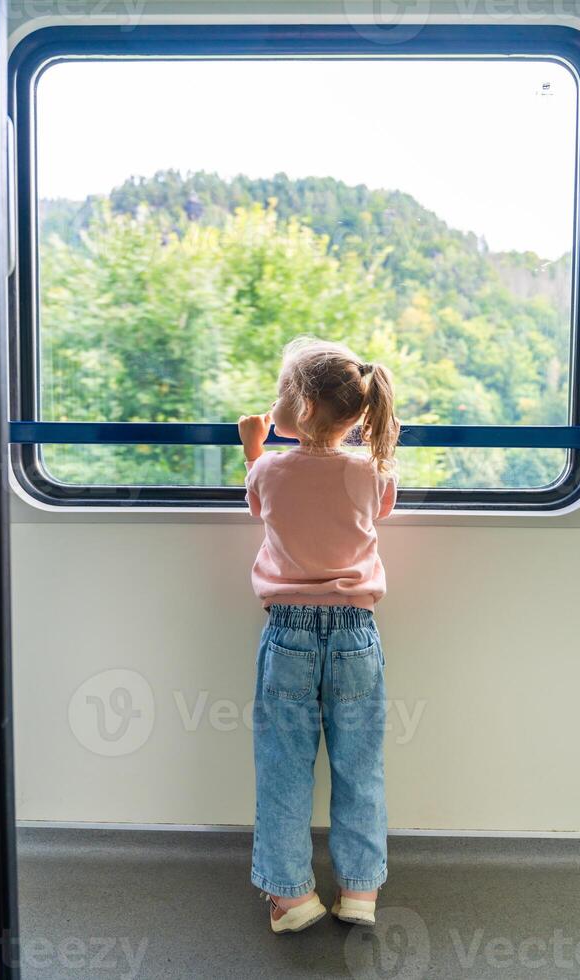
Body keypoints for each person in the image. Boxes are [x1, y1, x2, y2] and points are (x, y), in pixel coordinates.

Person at [238, 335, 400, 935]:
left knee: (284, 766)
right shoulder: (370, 469)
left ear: (299, 408)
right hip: (357, 634)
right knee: (361, 765)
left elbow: (259, 500)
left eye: (282, 392)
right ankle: (359, 891)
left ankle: (291, 897)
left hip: (289, 637)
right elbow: (379, 508)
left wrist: (254, 445)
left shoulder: (270, 467)